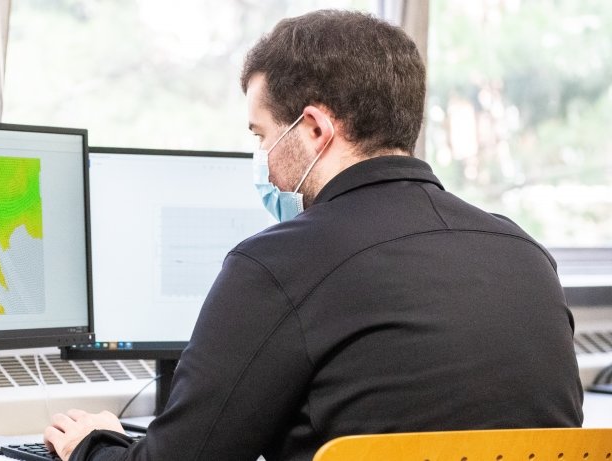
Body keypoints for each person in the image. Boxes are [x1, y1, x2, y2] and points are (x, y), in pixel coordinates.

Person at [43, 9, 583, 461]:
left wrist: (92, 446)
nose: (264, 164)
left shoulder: (279, 262)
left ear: (315, 129)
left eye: (262, 136)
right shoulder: (526, 254)